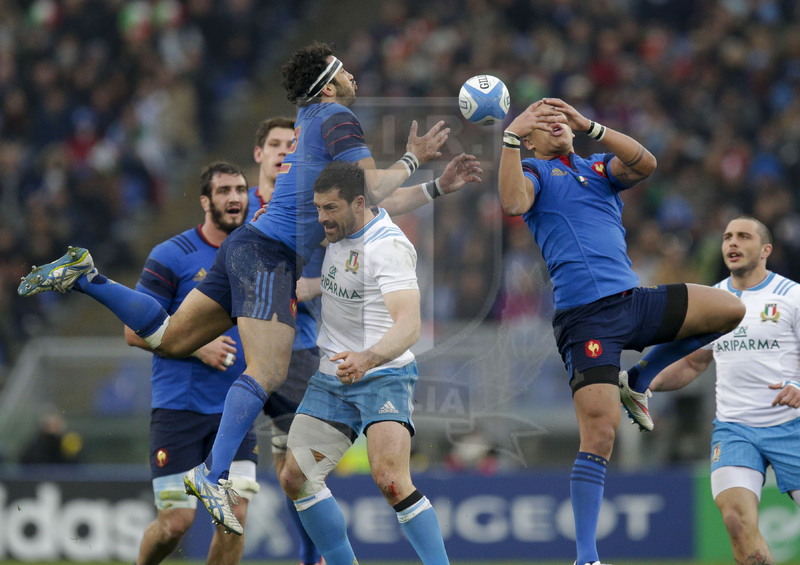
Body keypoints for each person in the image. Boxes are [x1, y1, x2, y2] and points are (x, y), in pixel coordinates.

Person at [17, 41, 480, 535]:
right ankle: (212, 476)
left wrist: (437, 187)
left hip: (247, 246)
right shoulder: (337, 116)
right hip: (270, 256)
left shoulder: (310, 120)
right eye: (345, 71)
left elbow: (365, 202)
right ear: (328, 82)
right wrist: (413, 158)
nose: (355, 79)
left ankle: (88, 276)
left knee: (172, 340)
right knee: (269, 369)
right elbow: (377, 187)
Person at [496, 97, 746, 565]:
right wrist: (511, 137)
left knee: (730, 309)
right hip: (586, 318)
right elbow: (512, 202)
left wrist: (590, 124)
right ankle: (587, 558)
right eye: (545, 122)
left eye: (561, 119)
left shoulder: (596, 167)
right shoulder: (531, 171)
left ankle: (640, 379)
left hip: (633, 301)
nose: (558, 124)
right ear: (529, 138)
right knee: (600, 434)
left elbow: (645, 163)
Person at [280, 161, 449, 565]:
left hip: (384, 372)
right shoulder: (339, 229)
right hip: (333, 373)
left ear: (358, 204)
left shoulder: (387, 247)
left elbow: (410, 326)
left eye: (330, 209)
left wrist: (368, 358)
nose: (322, 218)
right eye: (318, 208)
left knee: (391, 480)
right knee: (295, 478)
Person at [125, 161, 259, 565]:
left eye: (240, 189)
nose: (235, 198)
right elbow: (133, 332)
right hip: (179, 409)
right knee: (175, 523)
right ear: (205, 201)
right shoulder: (172, 255)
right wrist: (198, 346)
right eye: (224, 191)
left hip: (236, 409)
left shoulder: (258, 251)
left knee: (233, 517)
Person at [648, 215, 800, 565]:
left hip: (791, 425)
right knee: (735, 519)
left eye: (744, 236)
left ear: (766, 250)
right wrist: (646, 382)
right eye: (727, 236)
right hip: (735, 430)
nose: (732, 243)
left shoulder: (790, 295)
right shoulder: (712, 300)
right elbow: (692, 363)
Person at [250, 115, 324, 565]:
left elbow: (325, 277)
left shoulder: (307, 209)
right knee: (247, 468)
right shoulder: (237, 206)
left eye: (289, 144)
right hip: (241, 348)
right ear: (259, 153)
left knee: (295, 467)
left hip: (297, 349)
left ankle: (310, 555)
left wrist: (301, 286)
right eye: (274, 143)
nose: (282, 151)